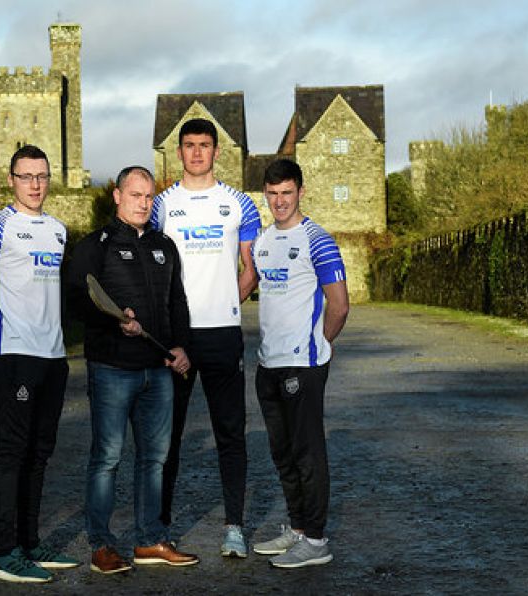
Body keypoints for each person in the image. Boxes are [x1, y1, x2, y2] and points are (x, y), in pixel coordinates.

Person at [0, 145, 79, 583]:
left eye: (41, 176)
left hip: (53, 357)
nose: (35, 185)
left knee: (39, 454)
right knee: (12, 452)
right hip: (15, 355)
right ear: (11, 180)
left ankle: (29, 543)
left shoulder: (59, 231)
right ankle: (5, 553)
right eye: (26, 177)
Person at [65, 166, 199, 574]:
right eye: (135, 195)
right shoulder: (96, 245)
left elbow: (177, 301)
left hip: (157, 371)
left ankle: (149, 540)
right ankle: (102, 546)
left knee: (154, 459)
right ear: (117, 196)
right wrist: (115, 320)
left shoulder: (165, 246)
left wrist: (180, 345)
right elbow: (76, 298)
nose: (143, 202)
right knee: (107, 458)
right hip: (112, 369)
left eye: (149, 196)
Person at [151, 118, 262, 557]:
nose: (197, 152)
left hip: (222, 337)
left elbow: (250, 270)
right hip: (176, 340)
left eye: (205, 145)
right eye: (189, 145)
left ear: (217, 151)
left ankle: (234, 527)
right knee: (167, 438)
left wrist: (224, 302)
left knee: (230, 434)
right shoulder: (161, 205)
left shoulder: (238, 205)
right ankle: (159, 530)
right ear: (179, 152)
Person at [250, 158, 349, 568]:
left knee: (308, 454)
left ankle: (318, 539)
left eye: (286, 193)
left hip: (302, 366)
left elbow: (340, 305)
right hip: (267, 363)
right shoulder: (262, 239)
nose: (279, 201)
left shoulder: (318, 239)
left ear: (301, 192)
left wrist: (316, 346)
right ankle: (297, 528)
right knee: (283, 452)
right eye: (272, 194)